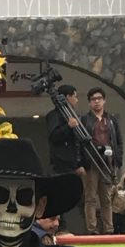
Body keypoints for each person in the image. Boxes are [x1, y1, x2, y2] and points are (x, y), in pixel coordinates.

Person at [81, 87, 123, 236]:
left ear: (104, 100)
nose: (97, 102)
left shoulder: (111, 120)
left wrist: (118, 163)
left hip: (108, 162)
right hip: (91, 161)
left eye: (99, 98)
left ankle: (109, 229)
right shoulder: (85, 120)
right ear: (89, 103)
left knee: (106, 198)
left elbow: (118, 142)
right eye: (93, 99)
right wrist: (80, 163)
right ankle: (92, 229)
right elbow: (80, 143)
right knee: (90, 197)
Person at [46, 84, 86, 233]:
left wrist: (79, 162)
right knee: (60, 195)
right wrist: (67, 127)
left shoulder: (74, 115)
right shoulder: (54, 116)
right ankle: (61, 227)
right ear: (67, 97)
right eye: (75, 96)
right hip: (60, 163)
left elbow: (78, 142)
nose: (76, 99)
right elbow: (54, 137)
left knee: (78, 197)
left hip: (73, 163)